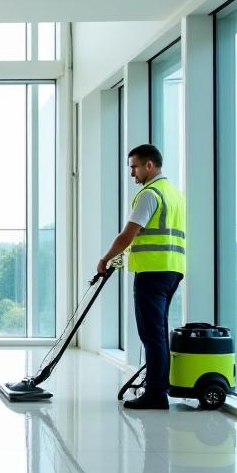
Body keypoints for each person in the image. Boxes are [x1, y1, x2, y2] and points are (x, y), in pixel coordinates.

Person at [98, 144, 186, 410]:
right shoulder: (174, 193)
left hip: (153, 272)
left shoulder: (149, 194)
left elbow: (128, 234)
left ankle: (156, 394)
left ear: (149, 165)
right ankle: (159, 388)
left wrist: (104, 259)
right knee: (157, 332)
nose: (132, 173)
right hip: (172, 270)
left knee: (152, 334)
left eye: (134, 166)